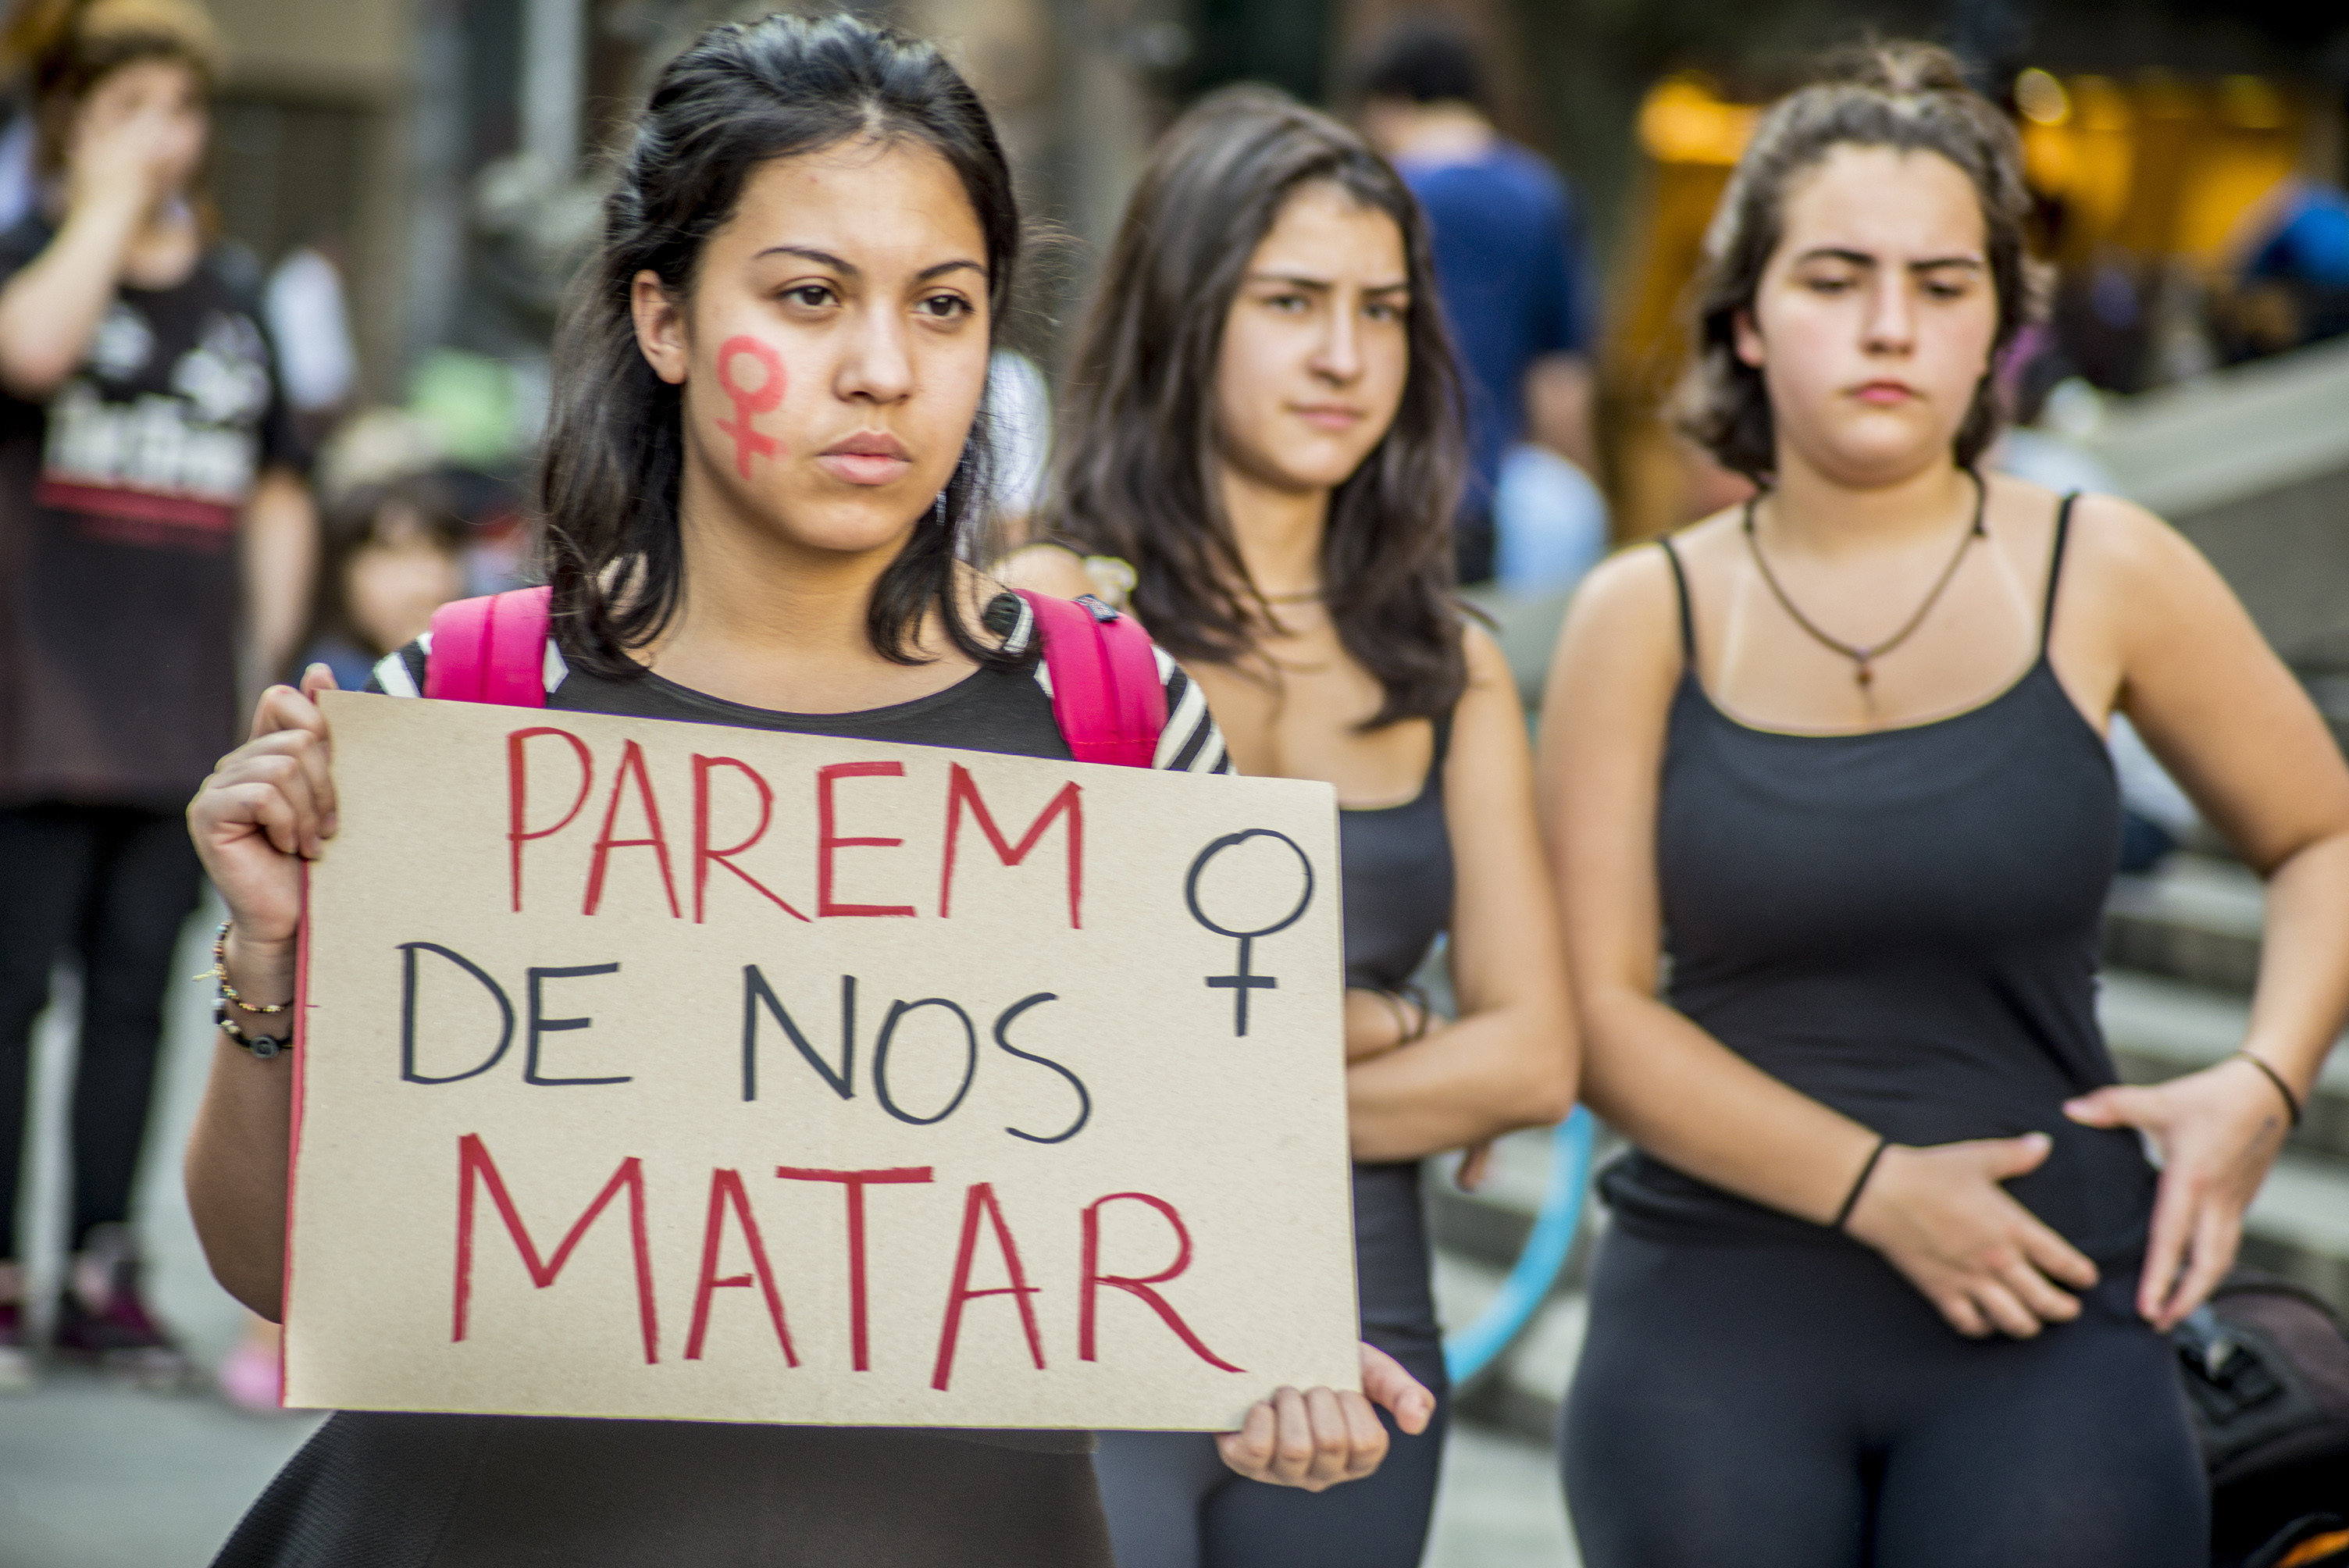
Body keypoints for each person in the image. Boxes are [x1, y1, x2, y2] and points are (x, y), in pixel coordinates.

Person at [184, 16, 1429, 1564]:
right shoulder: (469, 704)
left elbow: (1200, 1223)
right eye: (809, 296)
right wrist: (271, 962)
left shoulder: (1121, 720)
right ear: (664, 315)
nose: (885, 369)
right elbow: (278, 1269)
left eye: (945, 305)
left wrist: (1271, 1338)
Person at [1539, 43, 2349, 1567]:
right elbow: (1592, 1012)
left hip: (2052, 1317)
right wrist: (1880, 1192)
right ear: (1743, 319)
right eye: (1835, 277)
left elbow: (2325, 834)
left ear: (1998, 330)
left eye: (1943, 281)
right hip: (1712, 1331)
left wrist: (2262, 1081)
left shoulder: (2102, 568)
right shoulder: (1635, 614)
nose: (1890, 325)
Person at [1014, 86, 1576, 1568]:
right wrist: (1386, 1024)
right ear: (1184, 315)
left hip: (1361, 1329)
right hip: (1073, 1315)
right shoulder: (1043, 618)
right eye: (1291, 301)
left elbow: (1531, 1051)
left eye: (1382, 310)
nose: (1344, 354)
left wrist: (1217, 1079)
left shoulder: (1442, 655)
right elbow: (1011, 1035)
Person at [0, 0, 313, 1390]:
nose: (162, 138)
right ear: (69, 117)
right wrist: (104, 206)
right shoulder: (30, 262)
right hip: (31, 705)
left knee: (141, 993)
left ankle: (102, 1264)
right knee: (10, 993)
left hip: (171, 708)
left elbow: (282, 482)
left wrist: (267, 653)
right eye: (128, 108)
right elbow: (35, 353)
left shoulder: (238, 295)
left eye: (178, 111)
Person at [1355, 15, 1595, 586]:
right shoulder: (1541, 194)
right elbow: (1561, 380)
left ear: (1393, 102)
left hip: (1381, 498)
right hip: (1489, 501)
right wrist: (1584, 492)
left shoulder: (1378, 200)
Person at [294, 474, 468, 693]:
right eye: (396, 553)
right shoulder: (329, 682)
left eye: (444, 551)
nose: (429, 587)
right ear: (343, 571)